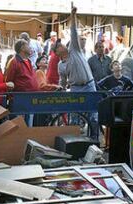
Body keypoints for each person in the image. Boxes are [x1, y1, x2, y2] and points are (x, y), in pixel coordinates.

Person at [53, 6, 98, 138]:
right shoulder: (60, 65)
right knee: (75, 119)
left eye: (61, 44)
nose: (61, 45)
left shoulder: (74, 49)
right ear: (56, 52)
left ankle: (94, 141)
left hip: (89, 86)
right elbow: (62, 81)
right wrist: (60, 88)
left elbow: (73, 31)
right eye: (58, 46)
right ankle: (75, 143)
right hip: (75, 89)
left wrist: (73, 16)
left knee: (94, 117)